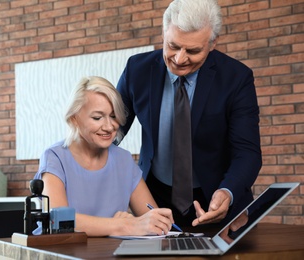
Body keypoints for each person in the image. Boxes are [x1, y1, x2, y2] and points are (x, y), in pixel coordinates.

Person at [116, 0, 262, 229]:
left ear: (213, 43)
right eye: (173, 46)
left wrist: (228, 191)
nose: (179, 59)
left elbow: (247, 152)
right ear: (164, 32)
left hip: (216, 205)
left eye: (193, 51)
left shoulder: (236, 79)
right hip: (154, 203)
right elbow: (112, 128)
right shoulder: (138, 70)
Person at [33, 76, 174, 237]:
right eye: (97, 117)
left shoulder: (124, 160)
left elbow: (157, 221)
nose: (109, 127)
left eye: (113, 116)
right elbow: (59, 221)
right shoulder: (55, 156)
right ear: (74, 118)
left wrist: (141, 223)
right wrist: (123, 225)